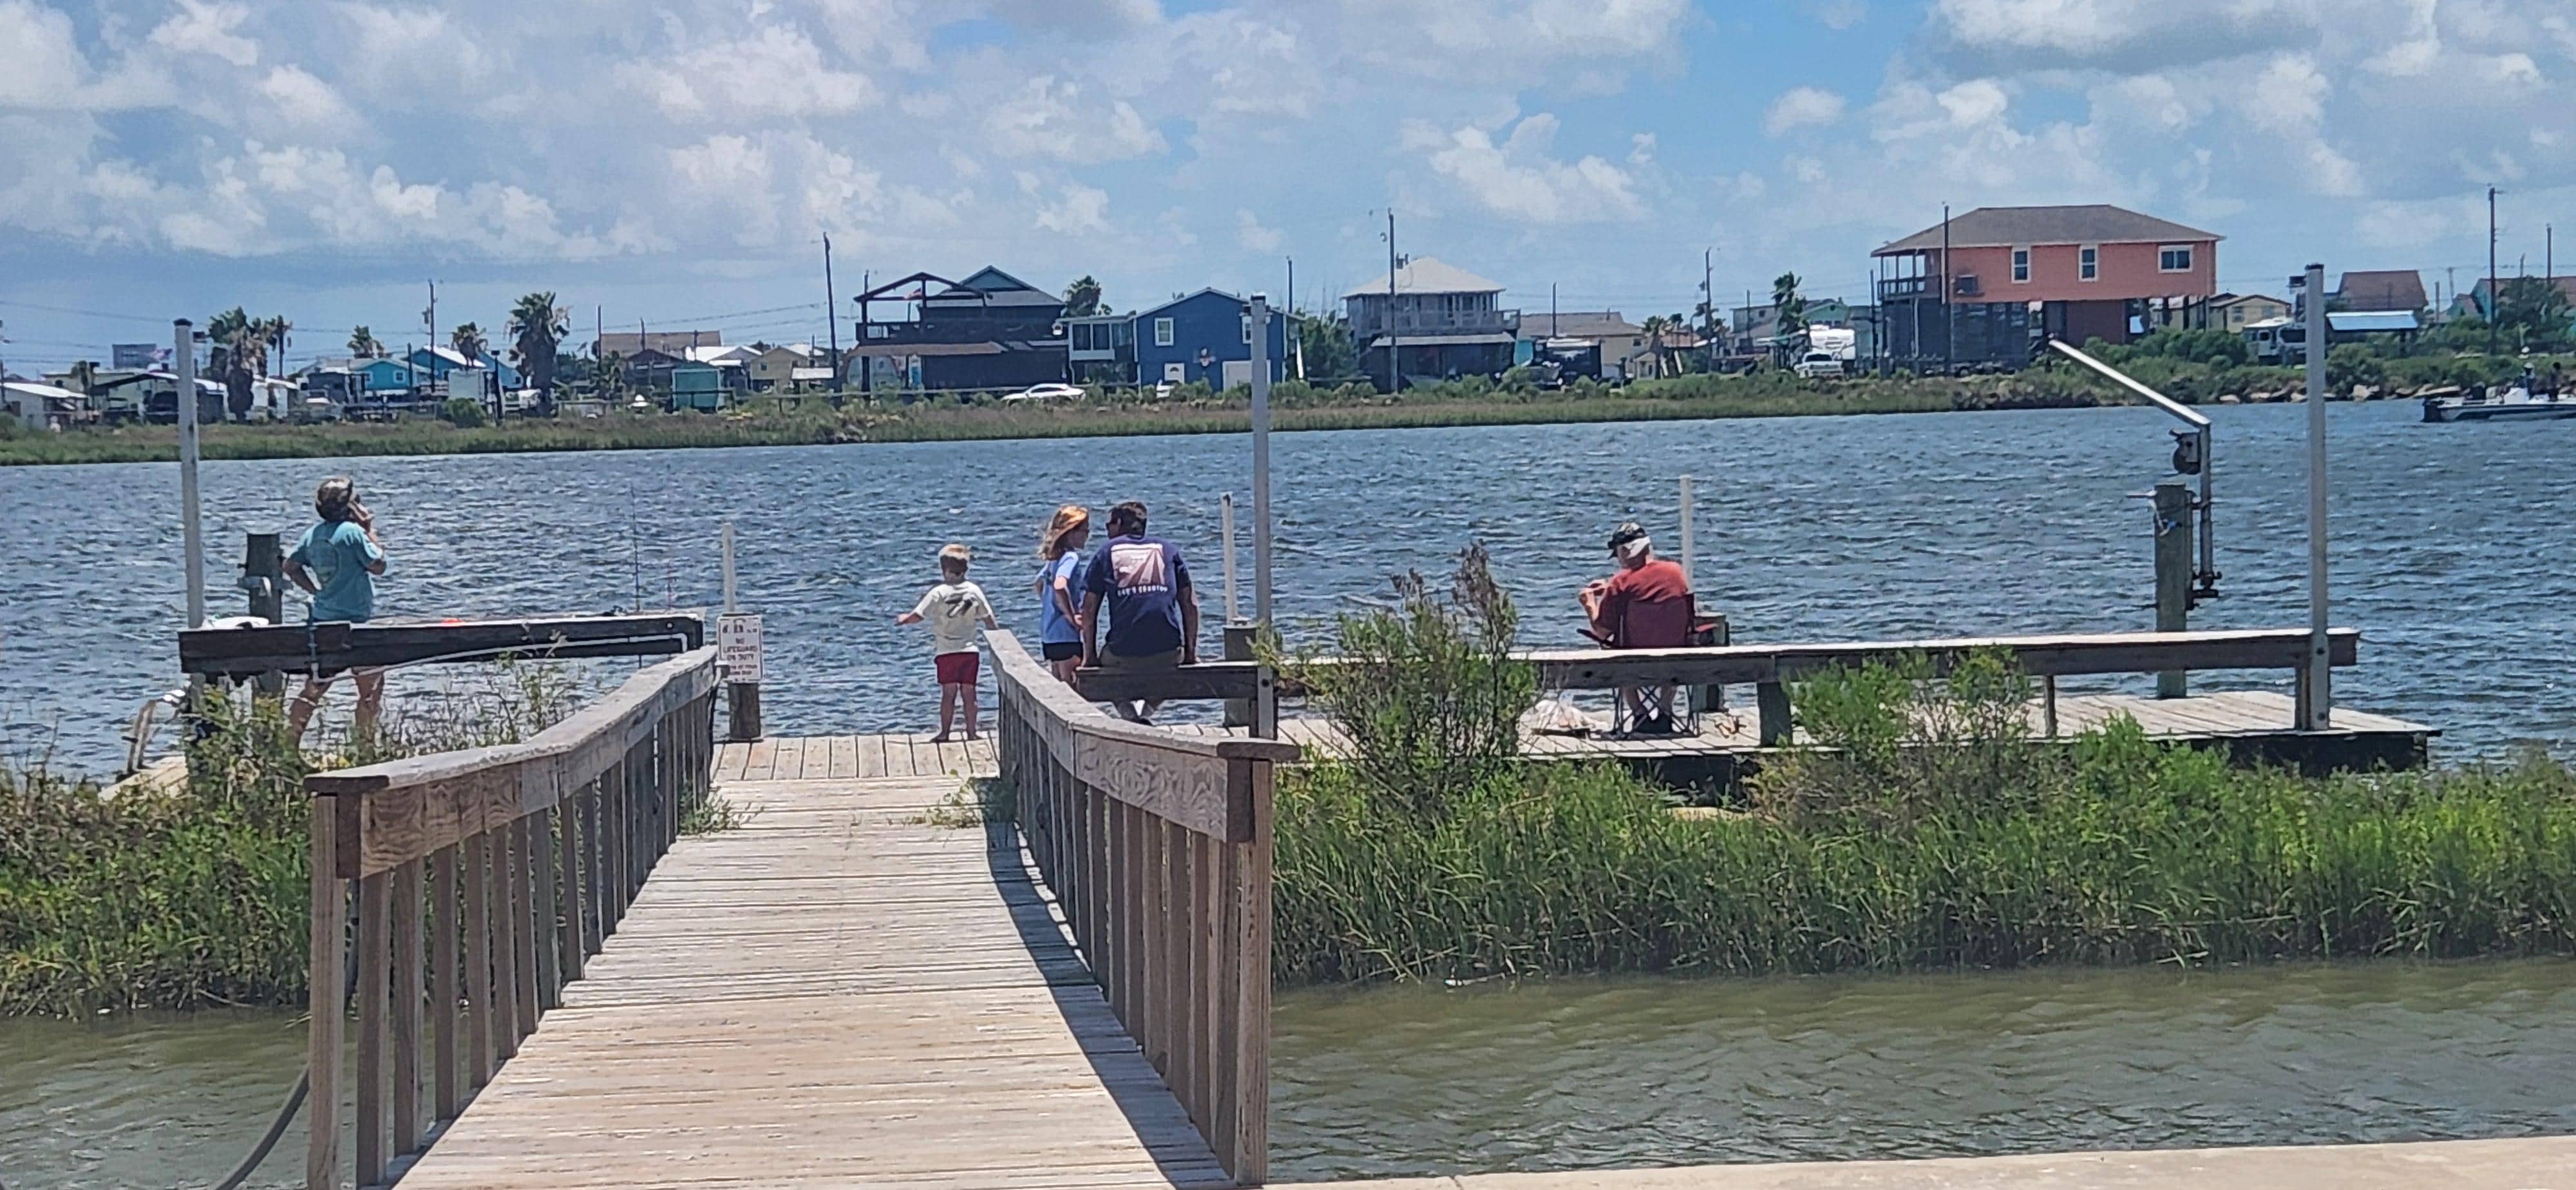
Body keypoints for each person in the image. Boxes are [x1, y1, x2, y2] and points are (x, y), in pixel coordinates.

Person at [284, 477, 390, 739]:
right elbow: (379, 566)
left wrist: (315, 591)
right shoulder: (353, 533)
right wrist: (369, 528)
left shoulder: (313, 535)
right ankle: (364, 746)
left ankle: (289, 744)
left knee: (314, 688)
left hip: (323, 624)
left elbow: (290, 567)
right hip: (356, 626)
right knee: (371, 688)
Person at [1077, 501, 1198, 724]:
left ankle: (1129, 713)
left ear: (1120, 524)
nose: (1106, 531)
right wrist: (1190, 653)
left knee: (1108, 673)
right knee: (1167, 675)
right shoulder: (1169, 550)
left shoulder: (1106, 552)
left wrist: (1090, 657)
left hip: (1123, 654)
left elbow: (1088, 609)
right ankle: (1145, 712)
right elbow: (1190, 605)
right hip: (1168, 652)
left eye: (1108, 525)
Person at [1578, 521, 1693, 733]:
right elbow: (1651, 588)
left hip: (1632, 662)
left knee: (1612, 650)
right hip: (1678, 660)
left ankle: (1639, 714)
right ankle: (1665, 711)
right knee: (1671, 640)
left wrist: (1590, 604)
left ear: (1625, 551)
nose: (1619, 562)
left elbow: (1602, 631)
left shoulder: (1621, 582)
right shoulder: (1676, 573)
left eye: (1618, 555)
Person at [896, 543, 999, 742]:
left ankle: (945, 733)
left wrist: (904, 619)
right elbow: (989, 618)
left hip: (946, 652)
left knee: (948, 694)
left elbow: (919, 615)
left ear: (944, 570)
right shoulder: (974, 591)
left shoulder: (939, 592)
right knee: (970, 693)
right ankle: (971, 732)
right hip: (970, 650)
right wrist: (996, 637)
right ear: (966, 570)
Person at [1035, 505, 1092, 685]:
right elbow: (1060, 585)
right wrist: (1071, 617)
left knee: (1059, 686)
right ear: (1070, 532)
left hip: (1049, 635)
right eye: (1084, 531)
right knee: (1073, 689)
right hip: (1066, 635)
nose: (1087, 535)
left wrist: (1050, 606)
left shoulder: (1053, 559)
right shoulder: (1070, 557)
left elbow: (1039, 584)